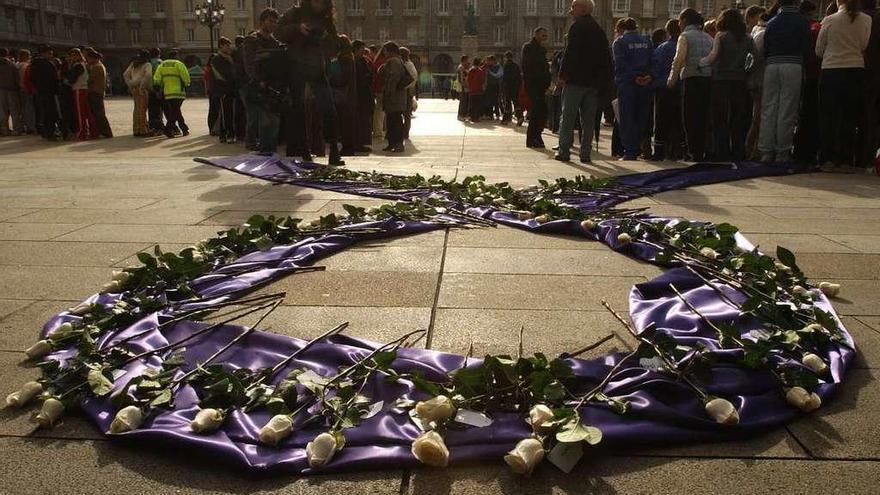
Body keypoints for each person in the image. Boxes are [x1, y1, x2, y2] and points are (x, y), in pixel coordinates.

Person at [276, 0, 346, 165]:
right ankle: (304, 150)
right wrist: (297, 29)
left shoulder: (326, 19)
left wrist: (325, 37)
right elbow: (278, 33)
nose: (318, 5)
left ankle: (334, 150)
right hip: (296, 66)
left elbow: (336, 46)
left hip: (318, 68)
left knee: (329, 109)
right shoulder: (295, 13)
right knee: (298, 110)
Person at [816, 0, 873, 172]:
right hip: (855, 69)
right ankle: (846, 159)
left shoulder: (829, 19)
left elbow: (819, 49)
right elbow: (864, 44)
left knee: (828, 116)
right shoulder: (866, 19)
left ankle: (827, 158)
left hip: (831, 69)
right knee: (849, 116)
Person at [556, 0, 612, 164]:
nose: (570, 11)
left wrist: (562, 75)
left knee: (568, 117)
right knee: (588, 121)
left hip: (575, 80)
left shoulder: (577, 27)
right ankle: (585, 153)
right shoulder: (599, 30)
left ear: (583, 8)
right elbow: (606, 58)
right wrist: (603, 82)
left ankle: (564, 151)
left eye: (573, 7)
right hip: (593, 84)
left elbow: (570, 53)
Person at [758, 0, 811, 163]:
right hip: (793, 64)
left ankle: (766, 151)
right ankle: (782, 151)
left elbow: (765, 47)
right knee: (787, 110)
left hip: (772, 65)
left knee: (768, 108)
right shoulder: (802, 21)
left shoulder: (772, 22)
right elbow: (807, 47)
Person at [700, 9, 755, 161]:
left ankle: (721, 151)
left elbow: (714, 56)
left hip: (721, 80)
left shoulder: (721, 36)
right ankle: (738, 151)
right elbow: (753, 58)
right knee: (737, 118)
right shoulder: (748, 38)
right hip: (740, 81)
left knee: (720, 118)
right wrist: (746, 71)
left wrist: (700, 62)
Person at [668, 8, 714, 161]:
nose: (678, 23)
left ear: (685, 21)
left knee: (689, 117)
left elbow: (679, 60)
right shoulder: (708, 37)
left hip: (691, 79)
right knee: (703, 116)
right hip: (707, 79)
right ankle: (702, 150)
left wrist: (671, 80)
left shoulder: (685, 36)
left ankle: (693, 151)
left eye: (680, 20)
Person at [242, 7, 284, 154]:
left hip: (272, 87)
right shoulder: (252, 40)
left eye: (275, 22)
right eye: (270, 21)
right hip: (257, 86)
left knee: (273, 122)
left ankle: (268, 151)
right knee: (260, 121)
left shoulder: (275, 43)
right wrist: (258, 80)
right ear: (262, 22)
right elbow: (249, 64)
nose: (273, 24)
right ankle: (261, 149)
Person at [613, 17, 654, 161]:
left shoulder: (620, 42)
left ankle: (630, 151)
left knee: (627, 117)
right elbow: (653, 60)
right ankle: (638, 146)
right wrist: (648, 76)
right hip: (646, 83)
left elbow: (621, 63)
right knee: (641, 117)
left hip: (627, 84)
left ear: (621, 29)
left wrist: (634, 77)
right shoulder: (647, 41)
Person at [651, 19, 684, 160]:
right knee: (678, 121)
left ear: (668, 32)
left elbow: (654, 67)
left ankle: (659, 151)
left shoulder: (661, 48)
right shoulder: (683, 46)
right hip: (680, 87)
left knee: (661, 120)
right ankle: (678, 150)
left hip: (662, 88)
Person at [856, 0, 880, 169]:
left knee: (859, 116)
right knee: (873, 117)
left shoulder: (858, 18)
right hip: (875, 73)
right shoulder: (874, 18)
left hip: (860, 71)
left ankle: (858, 155)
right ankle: (869, 156)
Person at [522, 27, 551, 148]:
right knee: (536, 111)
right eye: (543, 35)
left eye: (546, 36)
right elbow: (527, 66)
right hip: (534, 84)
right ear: (536, 35)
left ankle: (537, 136)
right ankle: (532, 138)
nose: (545, 38)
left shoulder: (542, 49)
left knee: (542, 111)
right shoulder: (529, 47)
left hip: (541, 85)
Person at [745, 6, 768, 160]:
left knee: (756, 116)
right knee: (757, 117)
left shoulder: (754, 33)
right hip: (758, 79)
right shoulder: (759, 34)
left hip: (754, 79)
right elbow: (754, 58)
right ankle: (752, 150)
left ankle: (752, 149)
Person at [152, 48, 191, 138]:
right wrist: (186, 84)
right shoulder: (179, 64)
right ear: (176, 56)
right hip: (178, 92)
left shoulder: (162, 65)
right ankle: (169, 129)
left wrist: (158, 88)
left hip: (167, 92)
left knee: (176, 111)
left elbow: (157, 78)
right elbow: (185, 76)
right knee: (175, 111)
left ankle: (184, 128)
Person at [329, 35, 358, 155]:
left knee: (344, 122)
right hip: (348, 94)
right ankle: (348, 146)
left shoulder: (344, 59)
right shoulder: (349, 57)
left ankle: (348, 148)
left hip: (343, 94)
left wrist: (331, 78)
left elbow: (340, 78)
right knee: (346, 122)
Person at [378, 41, 407, 153]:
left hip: (394, 96)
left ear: (390, 51)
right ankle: (392, 143)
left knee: (396, 120)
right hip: (395, 96)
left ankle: (398, 144)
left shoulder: (394, 61)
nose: (384, 53)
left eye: (385, 51)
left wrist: (390, 93)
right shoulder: (395, 61)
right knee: (391, 120)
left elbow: (394, 78)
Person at [29, 45, 61, 140]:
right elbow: (53, 78)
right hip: (50, 91)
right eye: (50, 53)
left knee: (43, 112)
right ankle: (50, 133)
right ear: (44, 53)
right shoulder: (48, 64)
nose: (51, 55)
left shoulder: (34, 64)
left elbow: (32, 78)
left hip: (40, 91)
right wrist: (56, 88)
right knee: (51, 113)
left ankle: (45, 132)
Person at [211, 37, 238, 144]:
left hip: (231, 89)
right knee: (225, 112)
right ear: (221, 46)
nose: (229, 48)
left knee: (230, 112)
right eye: (227, 45)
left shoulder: (230, 58)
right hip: (223, 89)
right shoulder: (216, 59)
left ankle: (225, 134)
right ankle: (227, 134)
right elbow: (219, 75)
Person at [66, 48, 94, 140]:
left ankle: (82, 133)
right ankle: (90, 131)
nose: (72, 58)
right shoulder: (84, 64)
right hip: (84, 88)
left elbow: (72, 79)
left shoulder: (78, 65)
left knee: (80, 113)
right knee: (87, 112)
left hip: (79, 89)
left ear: (78, 55)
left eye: (74, 55)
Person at [123, 50, 153, 137]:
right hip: (141, 89)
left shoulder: (133, 64)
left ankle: (136, 129)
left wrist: (130, 85)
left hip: (134, 89)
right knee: (142, 110)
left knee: (136, 109)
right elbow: (148, 75)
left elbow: (125, 75)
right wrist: (142, 86)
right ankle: (143, 130)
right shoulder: (147, 64)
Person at [84, 48, 112, 138]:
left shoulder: (97, 67)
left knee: (99, 114)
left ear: (93, 58)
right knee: (98, 113)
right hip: (98, 92)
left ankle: (106, 132)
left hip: (95, 92)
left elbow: (89, 80)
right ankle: (104, 132)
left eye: (88, 58)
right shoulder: (99, 65)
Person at [352, 39, 374, 151]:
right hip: (358, 94)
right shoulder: (353, 61)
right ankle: (358, 143)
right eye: (361, 49)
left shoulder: (363, 61)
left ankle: (362, 143)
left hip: (365, 94)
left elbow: (369, 74)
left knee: (364, 119)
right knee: (359, 120)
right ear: (356, 49)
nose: (363, 51)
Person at [0, 47, 22, 136]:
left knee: (2, 111)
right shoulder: (12, 64)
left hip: (1, 90)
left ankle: (4, 130)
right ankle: (16, 129)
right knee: (14, 110)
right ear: (7, 54)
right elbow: (17, 78)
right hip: (12, 90)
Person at [400, 46, 418, 140]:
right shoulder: (411, 65)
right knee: (407, 114)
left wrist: (401, 87)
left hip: (404, 91)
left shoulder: (404, 65)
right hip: (409, 91)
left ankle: (402, 132)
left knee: (401, 113)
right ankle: (405, 133)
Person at [17, 49, 37, 135]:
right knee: (29, 109)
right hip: (26, 89)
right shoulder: (26, 66)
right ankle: (30, 127)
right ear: (25, 56)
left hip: (18, 90)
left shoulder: (16, 65)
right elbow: (27, 79)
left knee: (20, 109)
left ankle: (21, 127)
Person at [501, 51, 522, 125]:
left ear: (506, 57)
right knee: (516, 102)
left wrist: (503, 86)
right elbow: (519, 77)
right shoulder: (516, 66)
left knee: (507, 103)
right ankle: (520, 116)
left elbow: (505, 77)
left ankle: (506, 119)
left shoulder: (506, 66)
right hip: (515, 87)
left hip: (508, 87)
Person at [146, 48, 165, 135]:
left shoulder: (149, 63)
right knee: (159, 109)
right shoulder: (161, 63)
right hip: (159, 89)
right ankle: (158, 127)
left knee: (152, 109)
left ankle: (154, 127)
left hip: (152, 89)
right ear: (159, 54)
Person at [466, 57, 486, 123]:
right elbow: (482, 80)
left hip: (472, 90)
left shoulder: (471, 70)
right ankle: (476, 117)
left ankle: (472, 117)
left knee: (472, 104)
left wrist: (469, 86)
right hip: (479, 90)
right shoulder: (480, 70)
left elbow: (468, 80)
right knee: (478, 104)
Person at [484, 55, 503, 119]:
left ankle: (497, 114)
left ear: (493, 61)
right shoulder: (488, 66)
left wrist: (490, 72)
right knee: (489, 100)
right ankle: (490, 115)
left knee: (496, 100)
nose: (488, 62)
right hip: (489, 85)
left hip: (495, 85)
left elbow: (498, 75)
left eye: (489, 61)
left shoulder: (499, 67)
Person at [456, 55, 470, 121]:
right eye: (467, 60)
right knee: (463, 102)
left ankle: (463, 115)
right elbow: (461, 79)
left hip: (464, 87)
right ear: (464, 60)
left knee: (465, 102)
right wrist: (464, 85)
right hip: (462, 87)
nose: (468, 62)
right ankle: (460, 115)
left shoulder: (463, 67)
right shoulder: (461, 67)